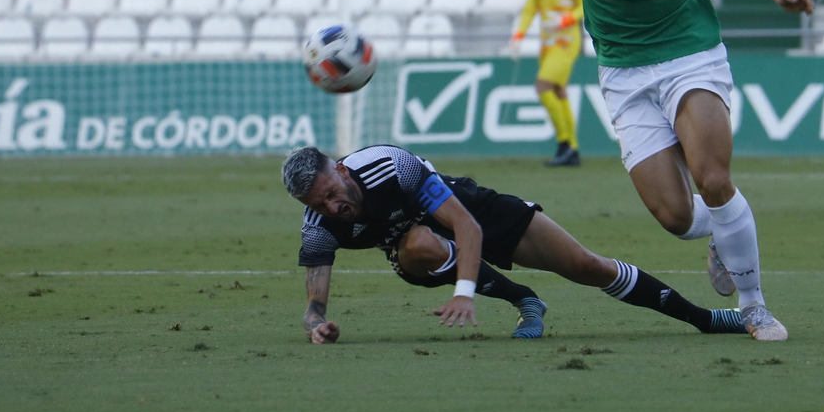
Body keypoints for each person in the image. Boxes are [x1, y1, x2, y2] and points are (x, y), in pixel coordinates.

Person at [462, 0, 814, 342]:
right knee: (674, 217)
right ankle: (723, 229)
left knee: (713, 180)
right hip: (623, 75)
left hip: (689, 57)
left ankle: (753, 305)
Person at [281, 144, 747, 343]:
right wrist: (316, 324)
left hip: (471, 211)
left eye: (330, 193)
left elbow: (467, 227)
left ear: (341, 171)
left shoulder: (390, 167)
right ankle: (525, 300)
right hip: (419, 246)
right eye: (316, 203)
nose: (329, 206)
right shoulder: (318, 225)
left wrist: (463, 293)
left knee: (586, 265)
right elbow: (313, 303)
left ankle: (704, 319)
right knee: (420, 245)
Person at [511, 0, 584, 167]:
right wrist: (519, 35)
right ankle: (572, 149)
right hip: (547, 44)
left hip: (566, 41)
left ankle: (564, 142)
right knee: (559, 91)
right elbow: (530, 8)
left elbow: (585, 4)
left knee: (543, 86)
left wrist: (566, 19)